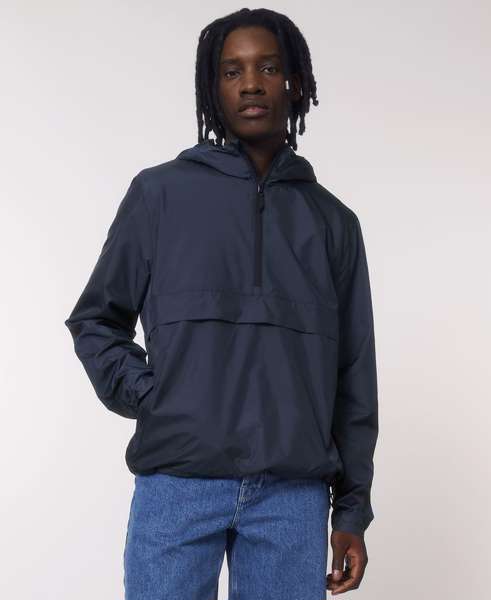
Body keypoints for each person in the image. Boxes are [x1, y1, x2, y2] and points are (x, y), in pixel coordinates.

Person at [64, 7, 378, 599]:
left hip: (292, 496)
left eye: (268, 68)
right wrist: (154, 397)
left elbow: (354, 373)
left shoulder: (333, 223)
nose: (251, 84)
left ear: (295, 84)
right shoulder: (159, 194)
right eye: (232, 71)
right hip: (177, 485)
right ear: (214, 87)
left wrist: (352, 511)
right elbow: (96, 320)